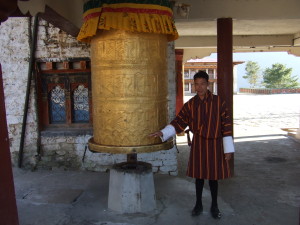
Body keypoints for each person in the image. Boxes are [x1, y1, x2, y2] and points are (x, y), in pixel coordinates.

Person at [150, 70, 234, 219]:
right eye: (196, 84)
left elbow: (226, 125)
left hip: (215, 144)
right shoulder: (191, 104)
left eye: (202, 84)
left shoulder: (218, 102)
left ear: (208, 84)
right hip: (199, 144)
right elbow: (179, 121)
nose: (199, 87)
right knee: (199, 177)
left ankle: (215, 205)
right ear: (194, 85)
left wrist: (228, 149)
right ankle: (198, 204)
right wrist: (163, 132)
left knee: (213, 178)